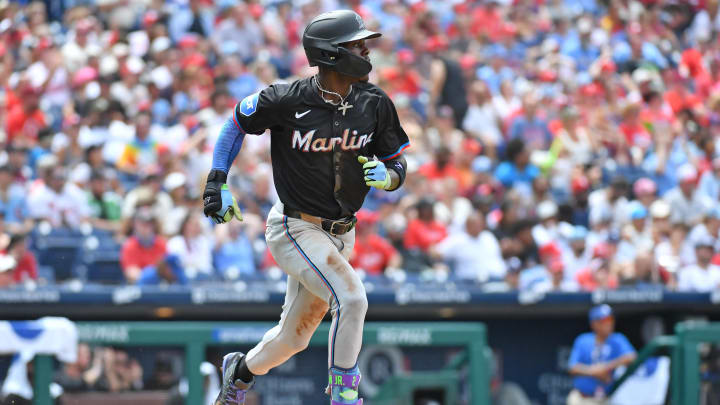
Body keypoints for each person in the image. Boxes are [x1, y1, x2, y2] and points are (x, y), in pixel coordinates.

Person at [201, 10, 409, 405]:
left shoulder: (375, 103)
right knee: (352, 299)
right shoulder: (287, 99)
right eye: (356, 44)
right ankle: (345, 396)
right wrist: (216, 178)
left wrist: (390, 176)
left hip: (343, 233)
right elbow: (236, 122)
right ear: (330, 54)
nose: (366, 49)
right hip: (296, 227)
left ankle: (239, 372)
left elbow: (397, 162)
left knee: (293, 339)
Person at [567, 305, 637, 405]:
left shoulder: (618, 339)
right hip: (581, 398)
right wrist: (594, 372)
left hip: (604, 399)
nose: (609, 324)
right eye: (604, 320)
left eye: (611, 319)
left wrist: (606, 367)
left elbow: (632, 357)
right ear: (594, 324)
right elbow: (572, 368)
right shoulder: (583, 340)